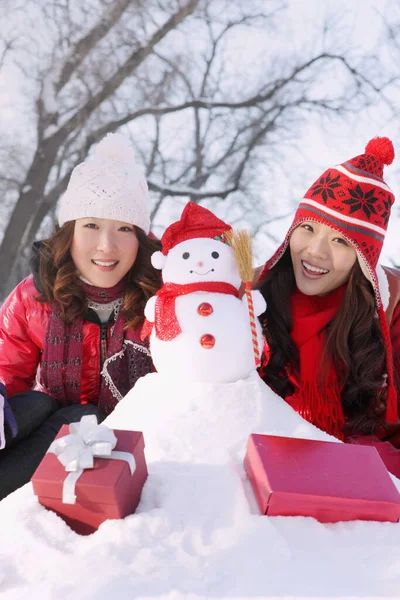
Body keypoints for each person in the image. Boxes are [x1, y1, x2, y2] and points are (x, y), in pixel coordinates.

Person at [0, 133, 161, 500]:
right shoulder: (33, 296)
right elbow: (7, 372)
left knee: (81, 416)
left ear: (141, 239)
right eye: (91, 225)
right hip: (51, 435)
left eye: (124, 228)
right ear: (69, 233)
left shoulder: (162, 301)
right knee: (40, 406)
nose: (107, 246)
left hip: (133, 442)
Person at [257, 136, 400, 477]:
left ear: (364, 258)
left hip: (358, 486)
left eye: (340, 240)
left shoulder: (390, 316)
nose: (315, 252)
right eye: (307, 228)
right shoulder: (252, 300)